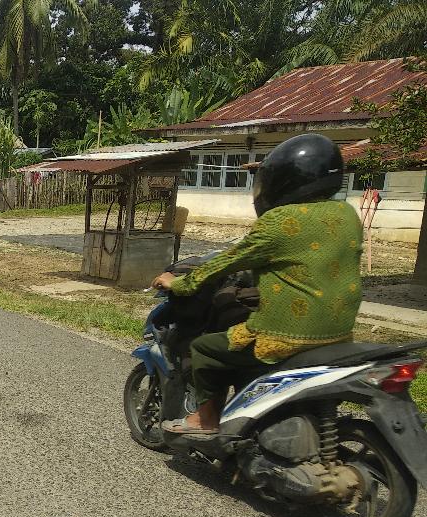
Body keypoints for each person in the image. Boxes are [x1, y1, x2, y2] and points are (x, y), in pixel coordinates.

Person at [152, 133, 363, 435]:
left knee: (204, 348)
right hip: (339, 335)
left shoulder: (280, 221)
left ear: (285, 181)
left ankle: (205, 419)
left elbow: (225, 263)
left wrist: (179, 283)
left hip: (286, 335)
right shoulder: (347, 214)